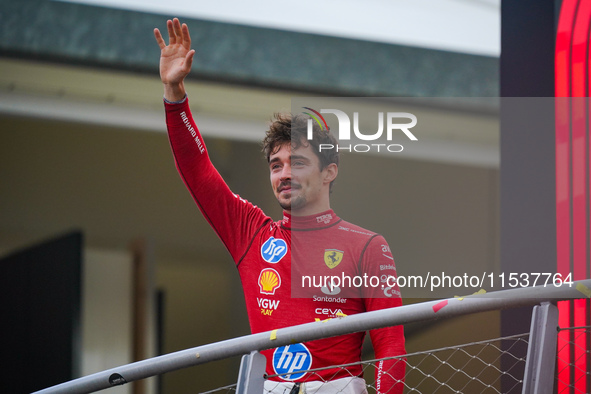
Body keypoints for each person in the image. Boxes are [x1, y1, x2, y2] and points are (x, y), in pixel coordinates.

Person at [154, 18, 406, 394]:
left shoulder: (367, 246)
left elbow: (390, 347)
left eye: (298, 162)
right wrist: (174, 95)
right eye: (276, 165)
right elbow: (197, 171)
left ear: (328, 172)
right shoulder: (251, 233)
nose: (284, 174)